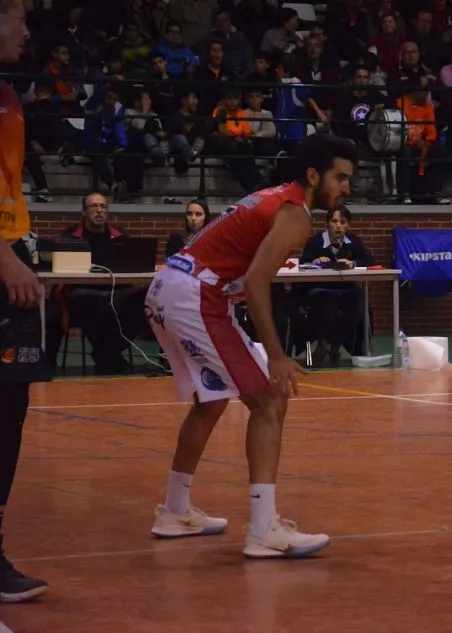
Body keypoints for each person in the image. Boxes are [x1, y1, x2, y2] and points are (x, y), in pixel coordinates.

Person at [144, 134, 357, 558]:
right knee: (270, 400)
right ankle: (263, 530)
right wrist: (276, 356)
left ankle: (175, 511)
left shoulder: (273, 197)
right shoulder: (295, 213)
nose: (347, 188)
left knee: (210, 403)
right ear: (314, 176)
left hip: (169, 288)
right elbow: (258, 281)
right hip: (196, 296)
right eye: (341, 177)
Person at [0, 0, 52, 602]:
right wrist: (4, 257)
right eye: (19, 19)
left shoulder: (9, 95)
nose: (27, 30)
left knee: (10, 408)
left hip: (12, 253)